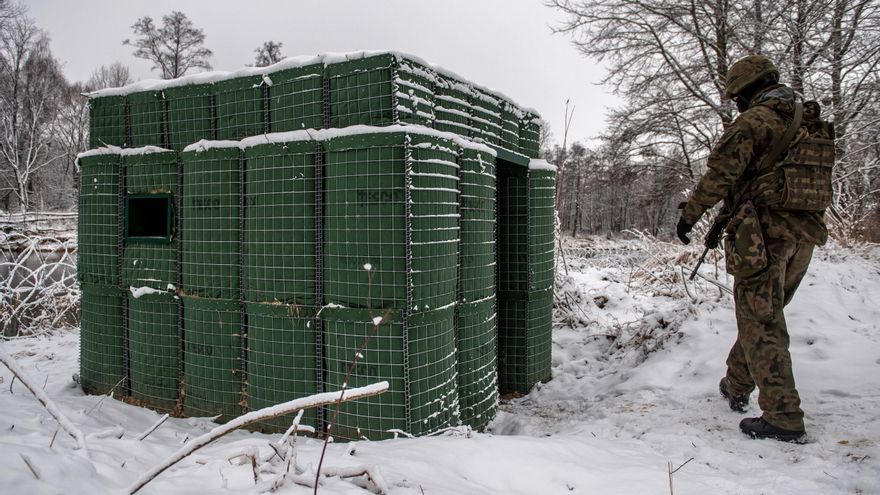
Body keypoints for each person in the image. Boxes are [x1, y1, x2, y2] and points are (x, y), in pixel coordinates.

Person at [676, 55, 830, 442]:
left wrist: (689, 216)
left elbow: (720, 175)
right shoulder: (808, 123)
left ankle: (783, 417)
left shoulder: (754, 122)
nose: (737, 103)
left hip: (763, 238)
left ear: (746, 90)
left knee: (762, 323)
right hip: (803, 237)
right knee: (762, 316)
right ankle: (738, 382)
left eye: (737, 96)